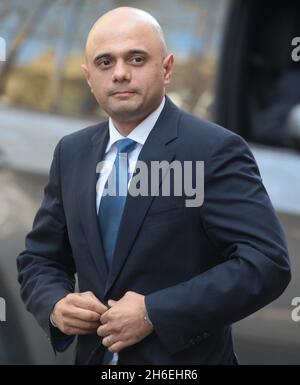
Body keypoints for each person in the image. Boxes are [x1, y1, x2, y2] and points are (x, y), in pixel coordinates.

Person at [17, 7, 291, 365]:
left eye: (136, 59)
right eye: (104, 62)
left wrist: (154, 312)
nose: (119, 73)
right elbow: (40, 258)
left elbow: (266, 263)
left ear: (166, 68)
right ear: (88, 78)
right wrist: (55, 304)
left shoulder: (213, 150)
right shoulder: (72, 153)